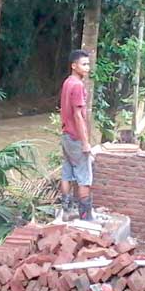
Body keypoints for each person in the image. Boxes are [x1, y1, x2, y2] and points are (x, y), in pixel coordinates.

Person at [59, 50, 93, 221]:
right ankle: (86, 216)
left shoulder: (67, 83)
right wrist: (85, 142)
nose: (87, 67)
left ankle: (66, 211)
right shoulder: (78, 85)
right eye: (84, 64)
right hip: (76, 137)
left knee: (67, 173)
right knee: (84, 177)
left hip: (65, 135)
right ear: (74, 66)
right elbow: (78, 115)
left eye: (88, 64)